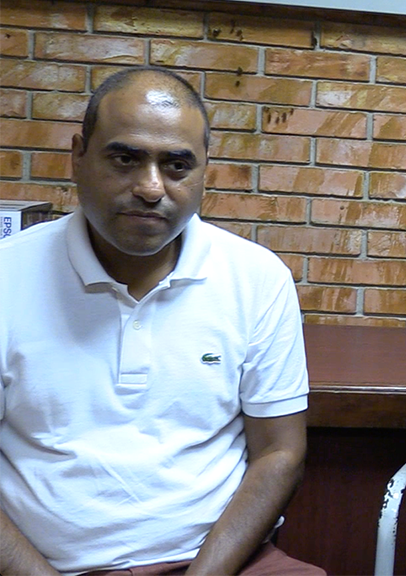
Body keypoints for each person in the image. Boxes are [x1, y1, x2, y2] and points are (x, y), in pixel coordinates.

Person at [0, 67, 321, 576]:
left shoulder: (257, 278)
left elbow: (279, 453)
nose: (151, 188)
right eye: (125, 159)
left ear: (204, 172)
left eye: (176, 166)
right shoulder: (8, 274)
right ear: (78, 156)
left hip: (211, 563)